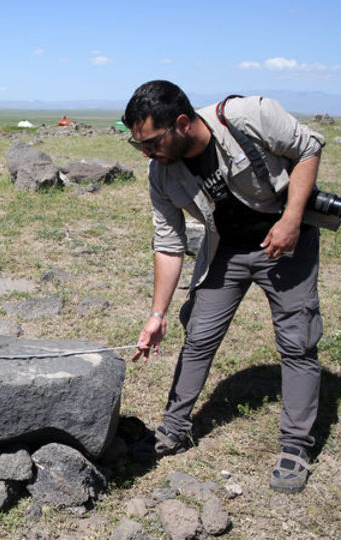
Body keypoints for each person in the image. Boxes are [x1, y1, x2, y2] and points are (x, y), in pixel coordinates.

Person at [122, 80, 325, 493]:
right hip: (226, 251)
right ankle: (173, 429)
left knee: (297, 341)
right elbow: (168, 243)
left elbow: (308, 148)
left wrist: (290, 221)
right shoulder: (160, 172)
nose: (146, 152)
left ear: (181, 123)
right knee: (197, 335)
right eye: (137, 144)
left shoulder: (249, 117)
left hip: (285, 243)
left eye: (151, 142)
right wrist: (156, 315)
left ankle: (295, 447)